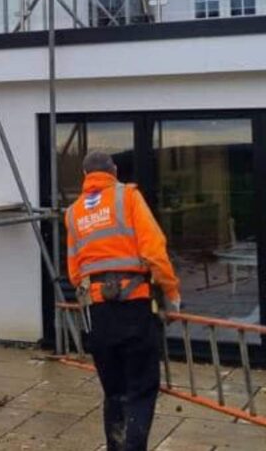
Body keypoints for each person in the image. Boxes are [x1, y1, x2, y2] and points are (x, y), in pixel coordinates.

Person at [64, 151, 181, 451]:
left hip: (98, 314)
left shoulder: (73, 213)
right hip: (135, 307)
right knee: (140, 390)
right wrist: (171, 293)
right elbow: (154, 249)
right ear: (113, 171)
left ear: (85, 175)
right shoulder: (127, 197)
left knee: (114, 392)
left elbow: (75, 273)